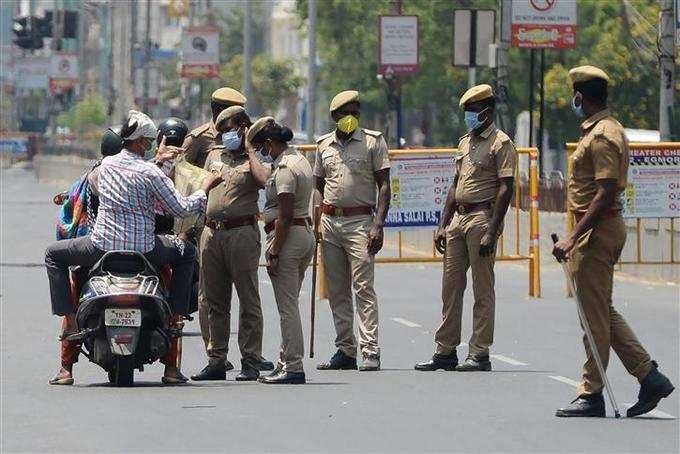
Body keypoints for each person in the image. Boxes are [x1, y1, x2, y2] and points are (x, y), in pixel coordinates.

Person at [45, 110, 223, 386]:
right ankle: (175, 319)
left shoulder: (102, 169)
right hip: (145, 249)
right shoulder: (150, 172)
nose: (151, 146)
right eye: (149, 142)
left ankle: (68, 321)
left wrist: (159, 161)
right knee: (186, 254)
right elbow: (180, 208)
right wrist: (206, 187)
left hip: (100, 247)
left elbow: (92, 191)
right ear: (141, 143)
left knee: (53, 254)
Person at [552, 66, 674, 418]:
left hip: (595, 232)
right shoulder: (602, 129)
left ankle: (591, 392)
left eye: (574, 94)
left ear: (580, 97)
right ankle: (649, 376)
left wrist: (573, 237)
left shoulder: (603, 135)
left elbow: (605, 192)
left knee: (592, 317)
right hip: (597, 230)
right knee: (600, 311)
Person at [415, 84, 516, 373]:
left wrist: (492, 231)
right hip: (458, 220)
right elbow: (454, 185)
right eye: (467, 111)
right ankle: (445, 350)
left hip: (482, 217)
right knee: (451, 286)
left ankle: (479, 352)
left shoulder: (501, 143)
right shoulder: (465, 142)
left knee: (482, 288)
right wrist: (442, 224)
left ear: (487, 110)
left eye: (473, 110)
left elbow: (506, 189)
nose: (469, 115)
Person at [191, 106, 274, 382]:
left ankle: (250, 359)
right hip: (212, 233)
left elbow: (263, 181)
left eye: (231, 129)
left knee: (248, 299)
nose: (226, 134)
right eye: (222, 130)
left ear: (243, 128)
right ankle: (217, 359)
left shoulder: (256, 157)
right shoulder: (214, 155)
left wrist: (249, 148)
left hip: (242, 233)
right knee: (214, 300)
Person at [314, 90, 391, 372]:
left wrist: (378, 225)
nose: (352, 118)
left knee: (363, 288)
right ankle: (345, 349)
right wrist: (318, 221)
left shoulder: (373, 141)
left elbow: (384, 185)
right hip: (331, 222)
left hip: (360, 223)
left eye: (356, 113)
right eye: (347, 113)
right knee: (336, 290)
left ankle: (370, 349)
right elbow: (318, 185)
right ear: (335, 117)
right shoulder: (324, 145)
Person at [246, 117, 315, 384]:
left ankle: (294, 367)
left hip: (288, 236)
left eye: (265, 147)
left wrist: (274, 250)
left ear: (272, 143)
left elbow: (285, 214)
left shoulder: (285, 168)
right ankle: (285, 360)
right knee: (291, 304)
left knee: (287, 308)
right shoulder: (299, 159)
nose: (266, 152)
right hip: (302, 234)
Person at [182, 87, 247, 169]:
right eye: (235, 114)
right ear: (217, 111)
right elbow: (178, 170)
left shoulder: (244, 134)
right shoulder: (199, 137)